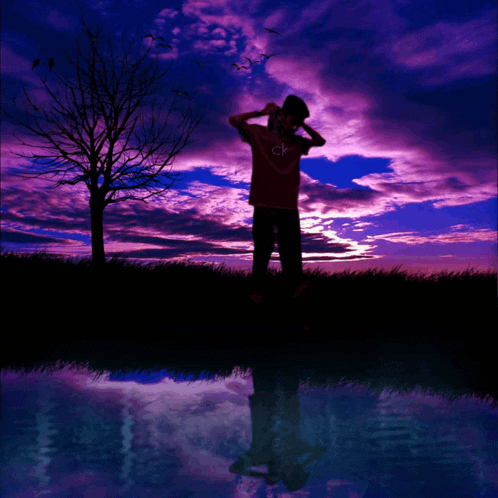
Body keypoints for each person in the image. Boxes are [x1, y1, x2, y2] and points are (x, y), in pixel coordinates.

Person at [228, 95, 326, 303]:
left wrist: (302, 124)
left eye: (299, 121)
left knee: (291, 252)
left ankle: (296, 289)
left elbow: (320, 141)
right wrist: (261, 112)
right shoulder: (259, 134)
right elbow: (234, 120)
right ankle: (256, 292)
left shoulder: (296, 142)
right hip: (264, 203)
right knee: (262, 250)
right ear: (281, 116)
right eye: (294, 119)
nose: (296, 124)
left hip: (288, 205)